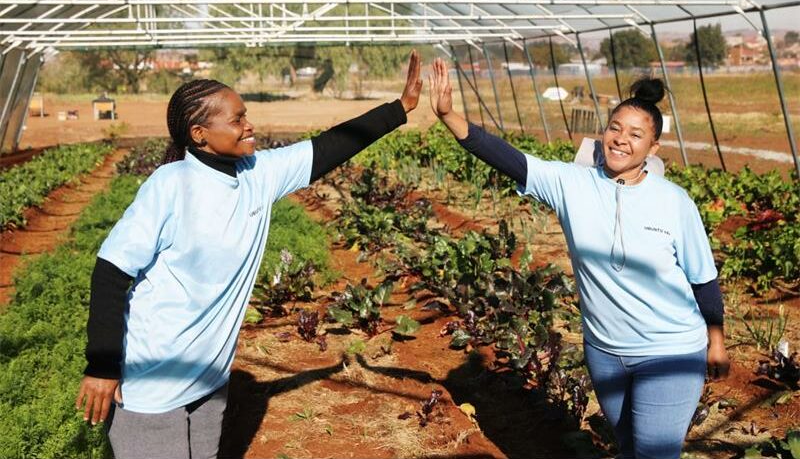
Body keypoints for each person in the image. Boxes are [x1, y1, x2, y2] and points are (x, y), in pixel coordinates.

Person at [75, 51, 422, 459]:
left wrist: (400, 108)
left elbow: (330, 146)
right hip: (155, 380)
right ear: (200, 134)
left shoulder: (258, 173)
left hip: (209, 379)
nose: (248, 125)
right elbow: (111, 271)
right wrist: (102, 365)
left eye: (246, 115)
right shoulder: (171, 186)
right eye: (236, 119)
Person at [427, 57, 729, 459]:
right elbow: (507, 158)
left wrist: (716, 340)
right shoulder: (572, 184)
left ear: (653, 147)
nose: (621, 139)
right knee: (629, 448)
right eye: (615, 128)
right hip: (606, 352)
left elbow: (703, 278)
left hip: (670, 350)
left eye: (636, 135)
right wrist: (449, 116)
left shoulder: (674, 202)